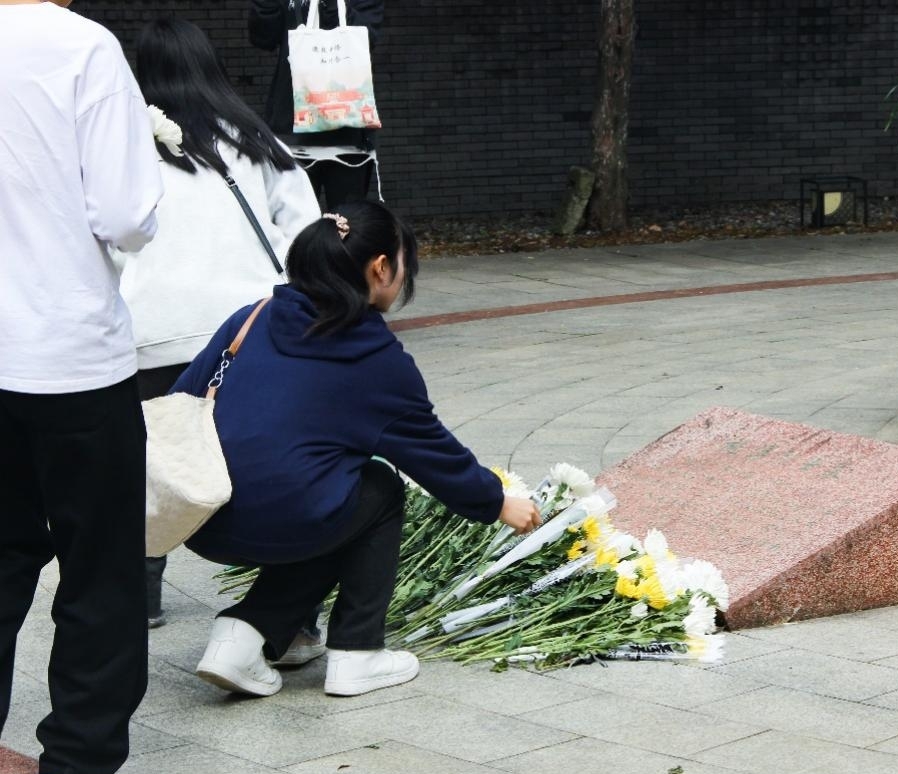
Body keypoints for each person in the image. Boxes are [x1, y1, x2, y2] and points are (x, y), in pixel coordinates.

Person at [174, 202, 541, 697]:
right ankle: (357, 653)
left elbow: (184, 398)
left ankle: (261, 635)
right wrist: (496, 501)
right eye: (405, 263)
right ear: (381, 268)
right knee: (376, 489)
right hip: (279, 520)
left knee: (320, 488)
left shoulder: (251, 317)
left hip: (202, 516)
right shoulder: (375, 358)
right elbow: (432, 454)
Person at [0, 0, 163, 771]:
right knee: (100, 572)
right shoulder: (83, 47)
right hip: (69, 357)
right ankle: (79, 757)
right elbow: (126, 214)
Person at [122, 18, 321, 630]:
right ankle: (289, 615)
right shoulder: (255, 140)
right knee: (263, 465)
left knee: (152, 467)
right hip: (247, 330)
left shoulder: (122, 141)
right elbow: (305, 230)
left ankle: (140, 594)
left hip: (151, 331)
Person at [249, 0, 385, 208]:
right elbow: (262, 37)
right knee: (295, 224)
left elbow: (365, 38)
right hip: (291, 131)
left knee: (346, 222)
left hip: (349, 133)